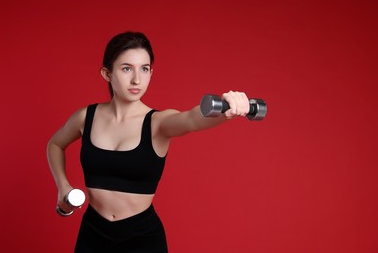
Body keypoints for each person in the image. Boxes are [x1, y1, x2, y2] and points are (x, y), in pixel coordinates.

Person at [47, 31, 250, 253]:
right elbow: (55, 144)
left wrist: (226, 109)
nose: (137, 79)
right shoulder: (86, 117)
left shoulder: (158, 122)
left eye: (144, 69)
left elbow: (192, 119)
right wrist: (62, 186)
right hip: (92, 233)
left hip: (142, 239)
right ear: (107, 73)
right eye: (127, 68)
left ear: (151, 72)